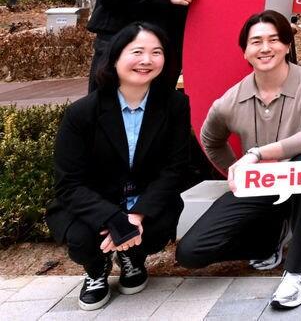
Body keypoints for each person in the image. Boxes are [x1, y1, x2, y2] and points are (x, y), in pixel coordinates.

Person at [177, 11, 301, 310]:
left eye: (274, 40)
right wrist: (237, 171)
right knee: (190, 252)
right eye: (256, 41)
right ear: (245, 51)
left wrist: (257, 154)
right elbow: (211, 139)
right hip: (262, 185)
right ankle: (267, 241)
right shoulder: (231, 99)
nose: (265, 48)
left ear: (287, 45)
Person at [49, 23, 193, 311]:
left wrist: (137, 214)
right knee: (82, 239)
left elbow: (176, 168)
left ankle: (133, 258)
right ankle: (96, 269)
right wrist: (114, 219)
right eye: (137, 52)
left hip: (143, 201)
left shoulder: (175, 105)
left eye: (156, 52)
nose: (146, 60)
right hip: (95, 202)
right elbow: (69, 183)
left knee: (158, 226)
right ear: (115, 57)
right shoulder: (82, 113)